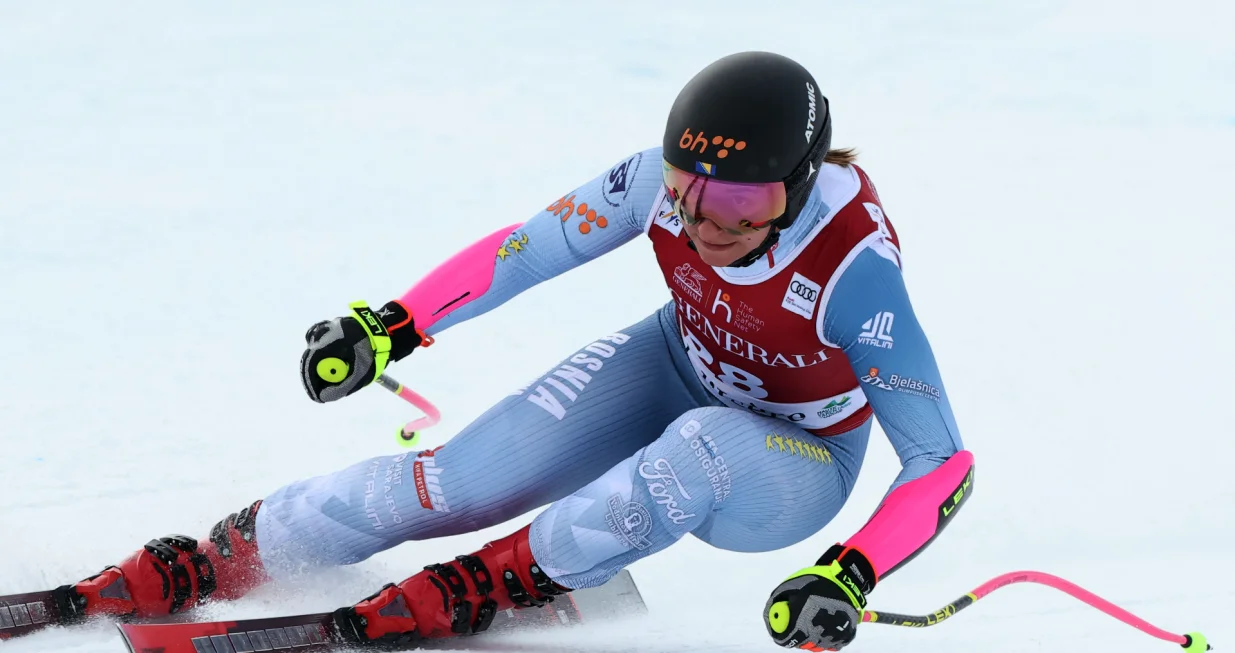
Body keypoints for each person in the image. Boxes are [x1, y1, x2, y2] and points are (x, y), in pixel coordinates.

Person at [54, 51, 973, 651]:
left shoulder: (853, 268)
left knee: (693, 452)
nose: (704, 224)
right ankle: (224, 554)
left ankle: (491, 582)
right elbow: (528, 250)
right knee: (452, 482)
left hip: (794, 459)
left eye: (741, 206)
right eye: (689, 192)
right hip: (675, 363)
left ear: (799, 186)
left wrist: (847, 571)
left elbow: (941, 460)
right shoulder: (658, 185)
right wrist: (394, 325)